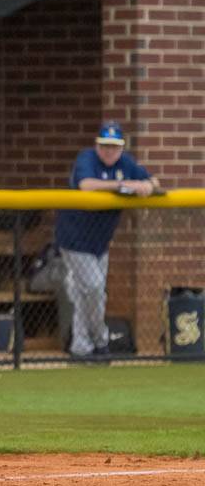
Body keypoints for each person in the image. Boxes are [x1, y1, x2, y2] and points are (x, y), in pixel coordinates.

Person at [54, 122, 156, 359]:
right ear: (97, 145)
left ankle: (81, 348)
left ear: (121, 148)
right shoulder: (87, 158)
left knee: (84, 294)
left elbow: (152, 180)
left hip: (100, 241)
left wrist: (146, 185)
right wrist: (122, 185)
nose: (109, 151)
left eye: (114, 146)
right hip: (75, 238)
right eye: (105, 146)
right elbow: (85, 185)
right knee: (94, 288)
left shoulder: (126, 163)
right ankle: (101, 339)